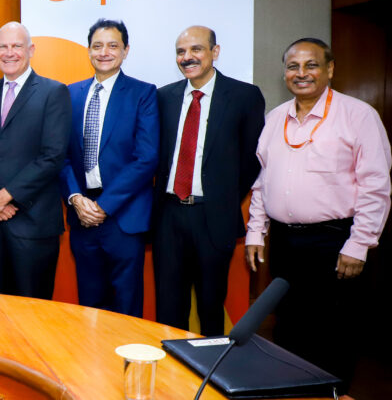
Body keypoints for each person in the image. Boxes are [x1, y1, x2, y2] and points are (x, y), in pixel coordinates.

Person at [245, 38, 390, 390]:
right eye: (293, 66)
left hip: (335, 240)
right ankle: (294, 392)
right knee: (290, 326)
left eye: (311, 65)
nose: (301, 73)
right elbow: (263, 181)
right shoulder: (276, 117)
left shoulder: (358, 116)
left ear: (330, 69)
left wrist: (360, 244)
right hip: (284, 240)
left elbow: (376, 185)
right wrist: (255, 231)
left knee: (333, 331)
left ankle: (333, 395)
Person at [154, 25, 264, 336]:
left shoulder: (244, 96)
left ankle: (210, 378)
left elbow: (252, 158)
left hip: (213, 217)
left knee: (211, 306)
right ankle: (169, 376)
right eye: (181, 51)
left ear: (214, 52)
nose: (187, 57)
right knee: (168, 308)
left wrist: (223, 196)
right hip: (169, 216)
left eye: (196, 49)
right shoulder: (163, 97)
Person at [0, 21, 71, 299]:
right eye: (3, 47)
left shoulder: (53, 93)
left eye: (17, 46)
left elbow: (52, 156)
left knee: (33, 316)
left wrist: (7, 197)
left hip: (32, 225)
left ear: (31, 50)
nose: (9, 53)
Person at [59, 19, 158, 317]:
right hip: (81, 215)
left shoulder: (143, 93)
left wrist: (103, 206)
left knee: (126, 306)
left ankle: (126, 365)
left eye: (113, 46)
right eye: (97, 46)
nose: (105, 52)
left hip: (123, 217)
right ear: (88, 50)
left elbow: (146, 158)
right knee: (89, 307)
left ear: (126, 51)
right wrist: (76, 199)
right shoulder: (69, 94)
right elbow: (60, 155)